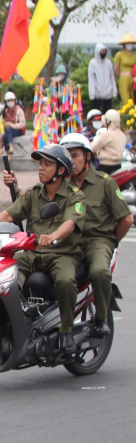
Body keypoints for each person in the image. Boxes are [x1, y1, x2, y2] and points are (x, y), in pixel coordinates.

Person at [0, 144, 84, 353]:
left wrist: (53, 236)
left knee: (66, 281)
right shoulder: (33, 193)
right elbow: (9, 214)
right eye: (40, 164)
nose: (41, 168)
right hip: (33, 253)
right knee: (2, 274)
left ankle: (66, 329)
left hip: (62, 254)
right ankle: (15, 320)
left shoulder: (75, 196)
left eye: (47, 164)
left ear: (60, 171)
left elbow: (70, 224)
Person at [60, 134, 132, 335]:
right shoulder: (63, 185)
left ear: (87, 157)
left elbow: (126, 219)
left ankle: (101, 318)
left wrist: (111, 242)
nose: (71, 161)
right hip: (70, 242)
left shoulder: (105, 183)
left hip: (97, 241)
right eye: (67, 156)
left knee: (99, 271)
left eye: (75, 156)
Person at [92, 109, 127, 174]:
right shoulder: (122, 135)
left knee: (93, 180)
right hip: (118, 166)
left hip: (105, 166)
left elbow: (93, 147)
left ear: (108, 121)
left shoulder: (106, 134)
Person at [88, 43, 116, 112]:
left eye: (105, 51)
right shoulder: (92, 63)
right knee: (96, 112)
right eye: (102, 51)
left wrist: (114, 91)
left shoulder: (108, 62)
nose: (104, 53)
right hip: (97, 94)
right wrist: (92, 94)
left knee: (108, 112)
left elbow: (112, 77)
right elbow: (91, 79)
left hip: (108, 93)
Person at [114, 34, 136, 104]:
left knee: (133, 98)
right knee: (125, 99)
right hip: (123, 78)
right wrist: (121, 75)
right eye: (128, 43)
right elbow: (116, 69)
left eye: (131, 43)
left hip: (133, 78)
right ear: (124, 44)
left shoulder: (135, 54)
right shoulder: (119, 54)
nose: (130, 44)